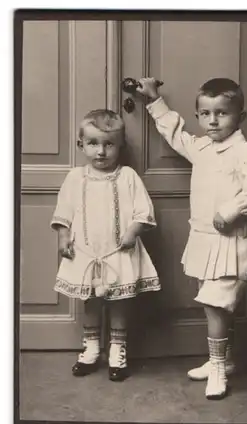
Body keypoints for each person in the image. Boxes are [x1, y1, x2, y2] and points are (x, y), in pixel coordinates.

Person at [136, 77, 247, 399]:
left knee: (215, 307)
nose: (213, 121)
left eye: (222, 113)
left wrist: (229, 211)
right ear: (198, 116)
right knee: (217, 308)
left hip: (229, 244)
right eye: (206, 113)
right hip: (204, 242)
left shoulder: (244, 153)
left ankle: (217, 366)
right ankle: (224, 361)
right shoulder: (202, 147)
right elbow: (174, 134)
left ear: (240, 116)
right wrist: (154, 100)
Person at [50, 108, 161, 381]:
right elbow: (64, 211)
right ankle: (90, 348)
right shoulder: (75, 178)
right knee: (91, 301)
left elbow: (143, 211)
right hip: (86, 252)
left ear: (120, 145)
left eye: (109, 144)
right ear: (81, 144)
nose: (101, 151)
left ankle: (117, 350)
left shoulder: (128, 177)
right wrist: (64, 237)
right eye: (93, 143)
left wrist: (133, 231)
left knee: (120, 302)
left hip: (119, 251)